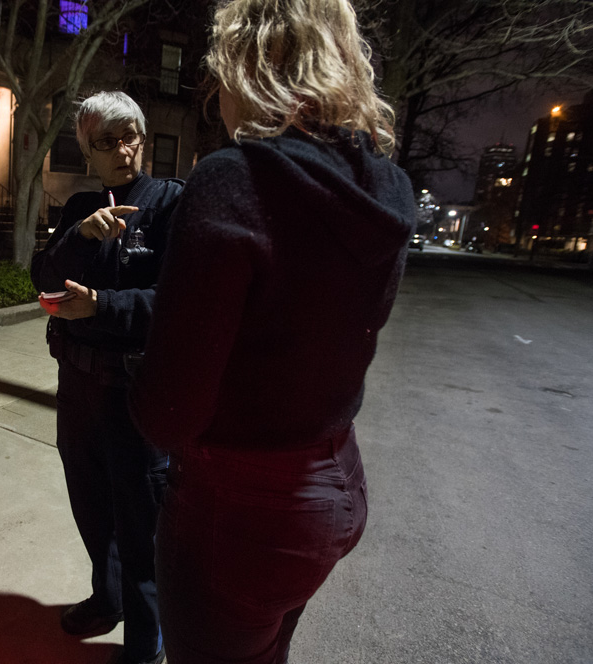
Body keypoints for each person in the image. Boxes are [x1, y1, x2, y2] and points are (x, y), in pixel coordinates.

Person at [128, 0, 417, 662]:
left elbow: (169, 413)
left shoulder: (233, 180)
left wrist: (133, 378)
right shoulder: (385, 188)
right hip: (333, 486)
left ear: (247, 66)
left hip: (240, 512)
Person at [30, 91, 183, 664]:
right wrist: (79, 239)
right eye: (106, 142)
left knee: (142, 525)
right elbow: (41, 279)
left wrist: (102, 305)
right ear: (87, 153)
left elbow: (180, 304)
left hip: (135, 394)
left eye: (130, 138)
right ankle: (107, 598)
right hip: (79, 391)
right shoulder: (78, 210)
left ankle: (147, 643)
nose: (122, 150)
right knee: (91, 505)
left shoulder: (169, 204)